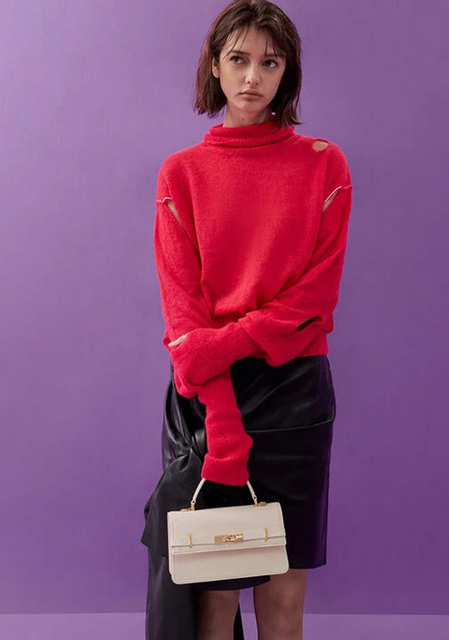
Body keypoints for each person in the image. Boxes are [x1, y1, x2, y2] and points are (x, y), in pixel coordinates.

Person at [140, 1, 353, 639]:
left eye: (270, 62)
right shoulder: (182, 173)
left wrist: (223, 342)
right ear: (215, 65)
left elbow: (315, 298)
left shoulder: (324, 165)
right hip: (211, 398)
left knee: (284, 602)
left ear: (288, 73)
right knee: (215, 598)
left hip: (295, 399)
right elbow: (183, 312)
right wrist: (224, 427)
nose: (253, 77)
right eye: (238, 59)